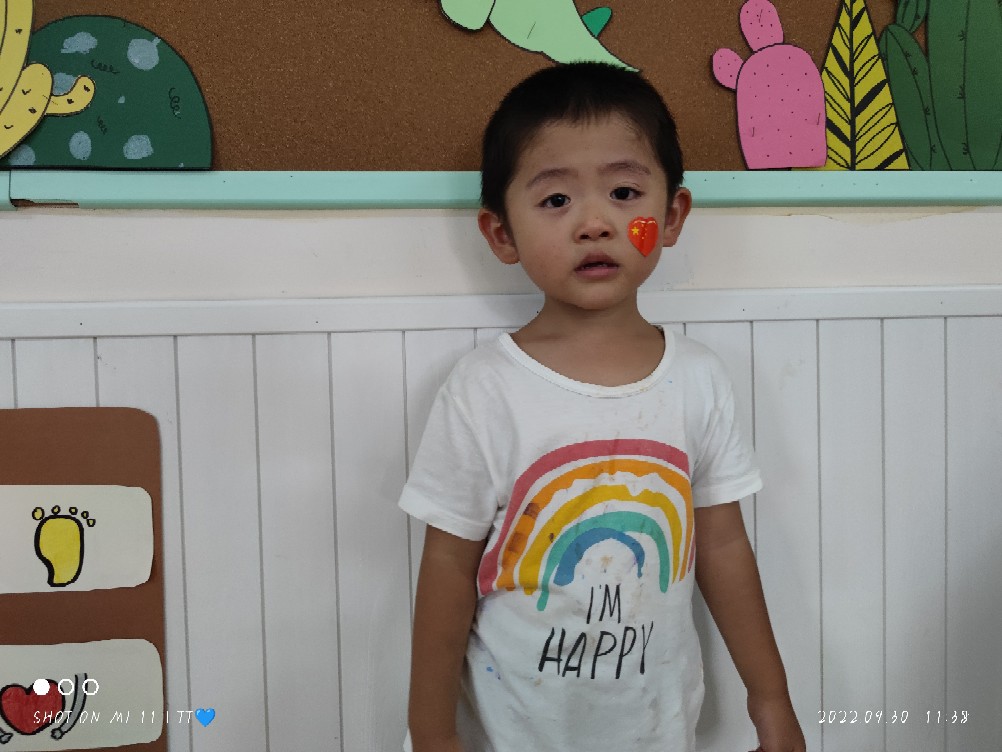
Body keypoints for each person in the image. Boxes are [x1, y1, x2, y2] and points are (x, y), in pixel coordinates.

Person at [399, 62, 805, 752]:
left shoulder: (699, 380)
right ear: (502, 234)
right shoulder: (484, 390)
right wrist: (431, 733)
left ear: (671, 217)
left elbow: (723, 546)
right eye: (556, 200)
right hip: (513, 734)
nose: (594, 223)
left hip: (659, 731)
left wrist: (771, 698)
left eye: (623, 193)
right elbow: (445, 569)